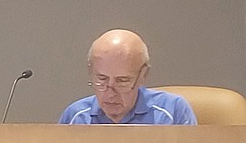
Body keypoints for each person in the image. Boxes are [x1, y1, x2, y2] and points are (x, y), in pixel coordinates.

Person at [60, 29, 195, 125]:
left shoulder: (173, 112)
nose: (110, 93)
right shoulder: (75, 117)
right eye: (101, 79)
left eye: (122, 81)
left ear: (143, 75)